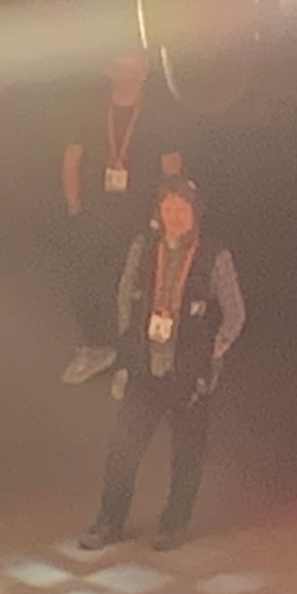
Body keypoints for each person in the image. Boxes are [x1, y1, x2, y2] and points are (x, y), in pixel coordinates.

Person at [78, 178, 245, 553]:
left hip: (190, 372)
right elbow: (125, 295)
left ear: (195, 213)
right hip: (145, 366)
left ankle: (174, 522)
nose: (174, 216)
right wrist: (129, 342)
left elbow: (235, 313)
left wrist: (213, 353)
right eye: (168, 209)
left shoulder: (214, 255)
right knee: (123, 449)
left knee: (187, 453)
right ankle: (109, 521)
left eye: (182, 209)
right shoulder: (143, 247)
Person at [59, 47, 185, 385]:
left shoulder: (158, 114)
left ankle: (130, 361)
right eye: (121, 67)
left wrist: (166, 220)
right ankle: (97, 348)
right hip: (94, 213)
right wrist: (75, 209)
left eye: (135, 69)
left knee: (133, 290)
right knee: (84, 280)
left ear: (145, 73)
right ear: (109, 70)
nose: (128, 76)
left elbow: (172, 170)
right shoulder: (91, 110)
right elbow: (71, 161)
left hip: (142, 219)